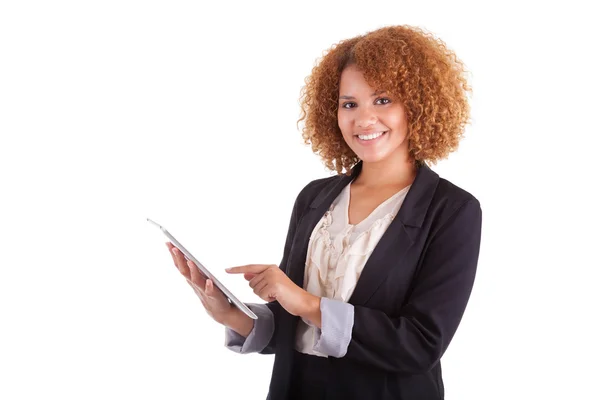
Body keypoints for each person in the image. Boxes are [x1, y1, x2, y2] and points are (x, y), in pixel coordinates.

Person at [166, 25, 482, 400]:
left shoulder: (452, 210)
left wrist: (305, 301)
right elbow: (296, 328)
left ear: (417, 103)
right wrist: (230, 314)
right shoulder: (315, 199)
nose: (364, 120)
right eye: (349, 104)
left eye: (382, 100)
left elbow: (420, 344)